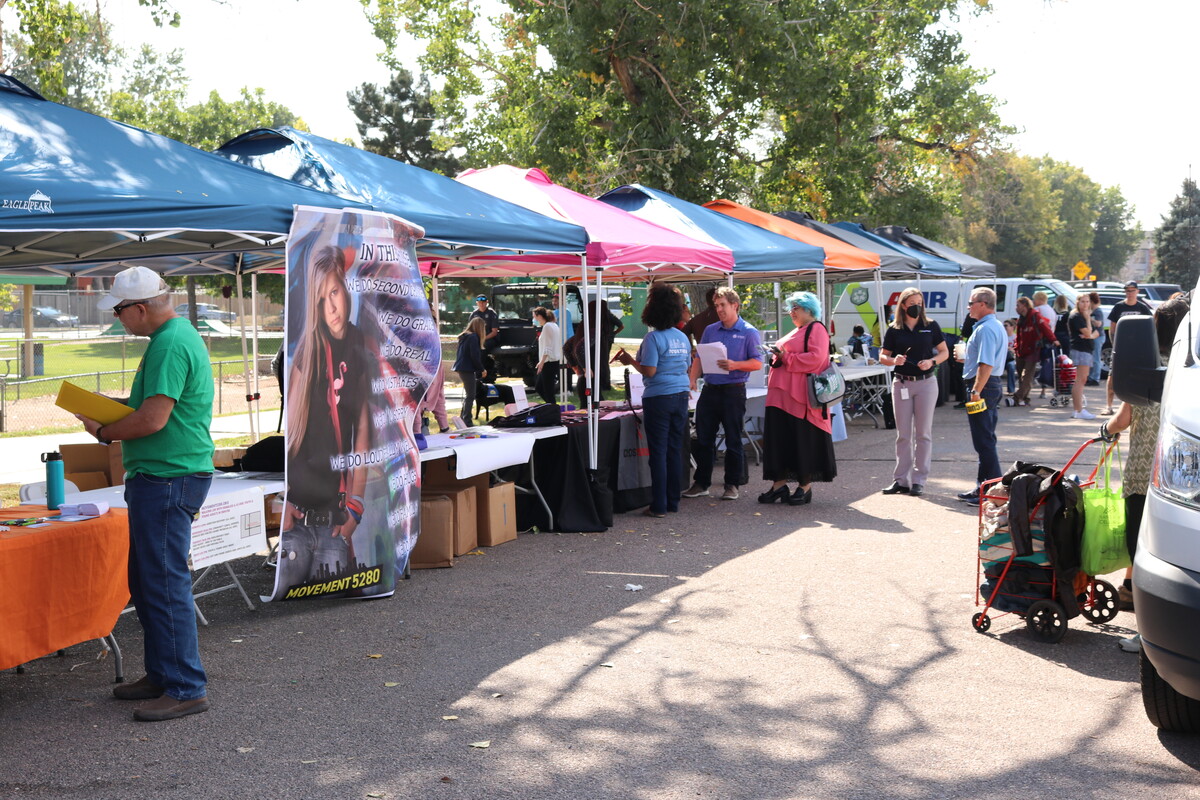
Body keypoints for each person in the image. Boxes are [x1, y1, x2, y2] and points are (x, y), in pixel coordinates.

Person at [77, 266, 215, 722]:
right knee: (149, 581)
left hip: (167, 476)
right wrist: (115, 413)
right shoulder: (174, 338)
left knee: (163, 583)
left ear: (139, 308)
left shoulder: (170, 343)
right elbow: (156, 411)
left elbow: (153, 420)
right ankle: (164, 675)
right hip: (166, 474)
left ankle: (184, 687)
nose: (118, 319)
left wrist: (104, 430)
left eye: (119, 311)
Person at [1098, 292, 1191, 652]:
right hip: (1183, 482)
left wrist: (1106, 432)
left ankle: (1147, 634)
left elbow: (1123, 419)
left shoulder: (1146, 370)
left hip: (1144, 477)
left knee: (1144, 554)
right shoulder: (1189, 372)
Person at [279, 246, 371, 598]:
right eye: (321, 300)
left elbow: (363, 427)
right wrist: (286, 500)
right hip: (300, 508)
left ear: (346, 288)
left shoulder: (358, 342)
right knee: (288, 603)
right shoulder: (307, 350)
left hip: (334, 515)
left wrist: (356, 507)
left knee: (330, 607)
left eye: (334, 292)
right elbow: (294, 432)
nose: (330, 307)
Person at [613, 284, 692, 518]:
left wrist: (630, 361)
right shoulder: (682, 337)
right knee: (675, 450)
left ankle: (659, 505)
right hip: (680, 396)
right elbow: (686, 367)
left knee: (657, 452)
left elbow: (649, 371)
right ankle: (673, 501)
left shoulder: (652, 338)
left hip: (659, 397)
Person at [681, 287, 763, 501]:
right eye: (716, 306)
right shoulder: (710, 330)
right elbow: (699, 356)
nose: (718, 309)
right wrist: (692, 379)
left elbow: (757, 362)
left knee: (733, 439)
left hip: (733, 391)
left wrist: (735, 364)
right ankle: (701, 483)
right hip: (710, 389)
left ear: (735, 305)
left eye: (722, 305)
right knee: (704, 438)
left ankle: (732, 484)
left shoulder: (749, 331)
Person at [757, 291, 837, 506]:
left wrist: (786, 357)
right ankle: (778, 485)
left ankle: (804, 486)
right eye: (790, 308)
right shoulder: (798, 330)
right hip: (780, 396)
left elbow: (816, 359)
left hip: (799, 398)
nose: (791, 312)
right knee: (778, 442)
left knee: (801, 441)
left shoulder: (817, 329)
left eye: (796, 308)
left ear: (809, 309)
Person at [878, 287, 949, 497]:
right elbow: (883, 357)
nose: (916, 306)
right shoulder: (894, 329)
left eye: (920, 302)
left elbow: (944, 352)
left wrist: (932, 361)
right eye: (912, 303)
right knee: (903, 435)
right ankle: (901, 480)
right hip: (901, 383)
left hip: (926, 383)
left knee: (923, 434)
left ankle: (919, 480)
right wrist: (893, 360)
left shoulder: (931, 326)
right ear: (903, 306)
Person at [956, 287, 1008, 504]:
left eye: (971, 303)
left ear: (983, 304)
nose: (968, 307)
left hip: (983, 387)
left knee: (984, 440)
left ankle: (997, 491)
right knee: (985, 437)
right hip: (988, 385)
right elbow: (984, 360)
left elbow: (986, 363)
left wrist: (976, 390)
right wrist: (966, 360)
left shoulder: (986, 328)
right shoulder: (992, 326)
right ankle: (983, 487)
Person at [1104, 281, 1153, 414]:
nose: (1130, 293)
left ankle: (1136, 406)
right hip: (1120, 349)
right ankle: (1108, 406)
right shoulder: (1119, 307)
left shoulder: (1142, 308)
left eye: (1132, 290)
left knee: (1136, 378)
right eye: (1127, 290)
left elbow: (1150, 326)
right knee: (1112, 378)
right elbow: (1112, 328)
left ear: (1137, 291)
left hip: (1137, 350)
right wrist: (1115, 345)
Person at [1012, 295, 1058, 407]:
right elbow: (1018, 335)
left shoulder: (1035, 316)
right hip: (1021, 350)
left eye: (1018, 305)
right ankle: (1025, 398)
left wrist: (1054, 340)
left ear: (1024, 305)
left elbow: (1046, 329)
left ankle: (1018, 397)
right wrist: (1016, 348)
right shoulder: (1021, 320)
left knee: (1028, 375)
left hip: (1033, 350)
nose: (1016, 308)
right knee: (1021, 375)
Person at [1067, 293, 1101, 420]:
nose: (1086, 304)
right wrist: (1088, 320)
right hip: (1080, 349)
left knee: (1082, 379)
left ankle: (1078, 409)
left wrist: (1090, 335)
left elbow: (1097, 332)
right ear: (1077, 302)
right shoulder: (1076, 316)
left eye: (1087, 302)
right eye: (1083, 301)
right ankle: (1078, 410)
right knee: (1080, 380)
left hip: (1086, 349)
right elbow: (1087, 331)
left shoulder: (1084, 315)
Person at [453, 317, 488, 425]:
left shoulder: (465, 336)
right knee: (471, 395)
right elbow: (474, 356)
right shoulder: (473, 337)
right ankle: (467, 420)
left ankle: (463, 418)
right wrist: (481, 369)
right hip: (467, 368)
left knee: (469, 394)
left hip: (461, 367)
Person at [592, 298, 624, 391]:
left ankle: (604, 383)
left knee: (602, 361)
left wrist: (613, 333)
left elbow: (621, 325)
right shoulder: (603, 315)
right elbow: (621, 326)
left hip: (605, 340)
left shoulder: (608, 316)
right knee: (603, 361)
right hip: (604, 340)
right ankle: (602, 383)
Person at [532, 306, 561, 404]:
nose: (534, 319)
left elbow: (547, 348)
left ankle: (553, 408)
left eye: (535, 317)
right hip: (551, 361)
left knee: (548, 390)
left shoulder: (548, 326)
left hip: (549, 362)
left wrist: (541, 362)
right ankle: (551, 406)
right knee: (540, 387)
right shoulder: (554, 325)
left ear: (539, 316)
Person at [1087, 291, 1104, 388]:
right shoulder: (1092, 311)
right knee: (1092, 357)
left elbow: (1098, 324)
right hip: (1092, 336)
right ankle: (1091, 377)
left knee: (1096, 358)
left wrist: (1090, 318)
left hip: (1098, 336)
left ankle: (1095, 378)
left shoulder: (1098, 311)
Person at [1002, 319, 1018, 395]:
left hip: (1010, 359)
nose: (1004, 327)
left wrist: (1012, 350)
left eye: (1006, 325)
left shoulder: (1016, 337)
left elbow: (1017, 349)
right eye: (1003, 325)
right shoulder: (1001, 336)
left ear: (1012, 327)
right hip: (1001, 358)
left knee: (1011, 367)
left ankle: (1011, 390)